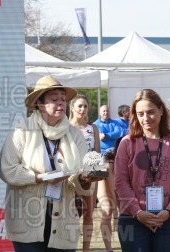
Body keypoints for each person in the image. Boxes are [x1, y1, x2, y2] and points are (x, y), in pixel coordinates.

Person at [0, 75, 97, 252]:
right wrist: (40, 178)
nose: (61, 103)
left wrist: (86, 178)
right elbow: (7, 170)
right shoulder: (22, 130)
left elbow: (86, 186)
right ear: (39, 103)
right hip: (26, 220)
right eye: (54, 99)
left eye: (63, 99)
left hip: (64, 222)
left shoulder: (75, 134)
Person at [115, 89, 170, 251]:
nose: (145, 118)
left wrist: (168, 211)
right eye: (140, 114)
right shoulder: (126, 143)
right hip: (133, 220)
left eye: (150, 112)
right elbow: (120, 183)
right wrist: (138, 213)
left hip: (168, 222)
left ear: (161, 110)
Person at [69, 94, 101, 252]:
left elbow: (97, 152)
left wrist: (97, 174)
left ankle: (86, 250)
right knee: (71, 213)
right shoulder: (66, 126)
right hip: (70, 176)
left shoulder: (92, 128)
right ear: (72, 108)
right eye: (79, 106)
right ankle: (69, 247)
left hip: (89, 176)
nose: (82, 109)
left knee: (89, 213)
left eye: (85, 106)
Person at [94, 105, 121, 250]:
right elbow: (100, 138)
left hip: (115, 161)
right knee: (107, 207)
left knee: (120, 203)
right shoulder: (94, 125)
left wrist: (108, 135)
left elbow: (119, 133)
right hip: (100, 163)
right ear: (99, 112)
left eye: (107, 110)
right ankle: (108, 248)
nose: (105, 112)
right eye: (103, 110)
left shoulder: (115, 123)